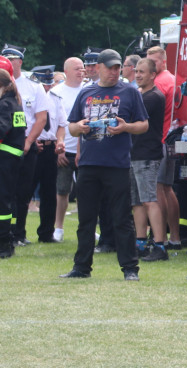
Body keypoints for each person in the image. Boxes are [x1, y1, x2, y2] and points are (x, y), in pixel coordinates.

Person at [60, 49, 148, 281]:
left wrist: (126, 127)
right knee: (86, 219)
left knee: (122, 218)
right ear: (98, 67)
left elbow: (144, 125)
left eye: (118, 67)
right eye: (110, 67)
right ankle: (81, 267)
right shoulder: (86, 92)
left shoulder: (129, 92)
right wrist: (80, 127)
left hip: (117, 165)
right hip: (89, 164)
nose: (114, 71)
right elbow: (71, 127)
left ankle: (130, 268)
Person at [2, 45, 53, 248]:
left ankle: (19, 233)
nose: (7, 63)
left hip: (25, 145)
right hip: (9, 145)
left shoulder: (33, 86)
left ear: (20, 62)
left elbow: (41, 118)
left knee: (23, 192)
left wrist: (29, 141)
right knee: (7, 193)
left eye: (11, 59)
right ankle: (9, 233)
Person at [129, 58, 168, 262]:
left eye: (142, 72)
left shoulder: (153, 97)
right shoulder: (141, 94)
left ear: (153, 75)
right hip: (135, 153)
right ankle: (140, 243)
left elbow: (131, 115)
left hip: (147, 154)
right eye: (136, 71)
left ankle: (160, 245)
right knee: (137, 202)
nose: (137, 75)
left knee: (149, 200)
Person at [147, 45, 181, 249]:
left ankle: (161, 237)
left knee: (158, 188)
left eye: (154, 62)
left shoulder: (159, 83)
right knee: (167, 189)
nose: (150, 66)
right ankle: (175, 237)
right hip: (170, 139)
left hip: (159, 140)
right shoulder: (173, 79)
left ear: (164, 61)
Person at [51, 57, 86, 243]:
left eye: (82, 68)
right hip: (64, 149)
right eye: (77, 69)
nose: (81, 72)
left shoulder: (88, 90)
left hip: (84, 150)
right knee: (62, 190)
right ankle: (59, 227)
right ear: (66, 71)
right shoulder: (57, 92)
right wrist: (60, 147)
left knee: (85, 191)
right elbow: (55, 122)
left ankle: (86, 227)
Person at [30, 65, 67, 243]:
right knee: (25, 191)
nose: (47, 87)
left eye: (49, 84)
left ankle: (46, 233)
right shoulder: (29, 97)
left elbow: (61, 125)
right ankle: (17, 232)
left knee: (49, 193)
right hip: (33, 147)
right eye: (44, 84)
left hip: (50, 148)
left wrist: (60, 141)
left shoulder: (55, 99)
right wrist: (31, 140)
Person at [0, 59, 26, 259]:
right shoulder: (15, 102)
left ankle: (3, 244)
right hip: (11, 159)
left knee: (2, 204)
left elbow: (2, 129)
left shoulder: (5, 104)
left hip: (4, 160)